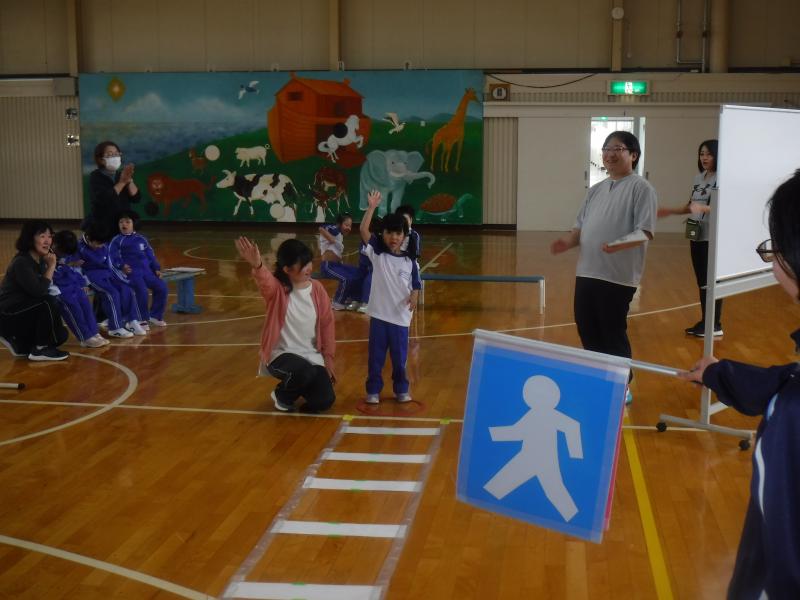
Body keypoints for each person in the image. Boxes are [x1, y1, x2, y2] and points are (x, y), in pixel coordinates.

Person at [680, 169, 800, 599]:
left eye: (775, 249)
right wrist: (720, 374)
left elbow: (784, 558)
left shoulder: (792, 417)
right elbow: (786, 379)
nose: (772, 262)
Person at [550, 131, 658, 404]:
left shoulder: (641, 188)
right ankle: (600, 376)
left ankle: (622, 384)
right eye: (606, 148)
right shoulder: (595, 191)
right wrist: (566, 242)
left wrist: (618, 244)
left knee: (611, 330)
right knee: (587, 326)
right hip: (587, 271)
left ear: (633, 155)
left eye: (617, 149)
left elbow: (645, 231)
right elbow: (579, 229)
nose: (610, 154)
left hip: (618, 277)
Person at [235, 236, 336, 413]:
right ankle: (282, 396)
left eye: (309, 263)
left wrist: (328, 359)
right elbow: (266, 281)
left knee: (324, 400)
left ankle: (299, 387)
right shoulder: (277, 289)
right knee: (304, 372)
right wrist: (258, 265)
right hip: (281, 354)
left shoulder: (318, 289)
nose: (308, 268)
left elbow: (327, 324)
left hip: (311, 355)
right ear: (287, 269)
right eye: (302, 265)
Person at [360, 190, 422, 404]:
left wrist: (415, 295)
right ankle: (373, 390)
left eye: (398, 233)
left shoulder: (410, 262)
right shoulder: (377, 254)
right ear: (383, 234)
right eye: (389, 233)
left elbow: (416, 283)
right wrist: (371, 207)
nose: (394, 237)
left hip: (400, 319)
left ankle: (401, 389)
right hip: (379, 317)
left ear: (405, 236)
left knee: (399, 359)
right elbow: (363, 230)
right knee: (375, 359)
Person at [658, 140, 722, 337]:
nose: (704, 157)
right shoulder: (698, 178)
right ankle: (706, 321)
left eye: (709, 154)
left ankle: (714, 324)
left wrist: (702, 208)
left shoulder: (722, 178)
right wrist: (670, 211)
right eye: (701, 153)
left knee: (711, 281)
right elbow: (690, 205)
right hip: (696, 231)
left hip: (712, 236)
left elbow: (724, 206)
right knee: (701, 281)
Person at [0, 221, 69, 361]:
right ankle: (40, 349)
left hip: (26, 308)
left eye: (49, 236)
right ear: (30, 238)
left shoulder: (40, 260)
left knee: (61, 335)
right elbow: (39, 292)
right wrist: (51, 266)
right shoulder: (22, 262)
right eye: (42, 236)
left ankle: (21, 342)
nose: (47, 241)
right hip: (8, 312)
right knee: (46, 302)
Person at [78, 225, 144, 338]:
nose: (101, 246)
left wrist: (121, 277)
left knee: (126, 288)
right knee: (111, 293)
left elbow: (110, 263)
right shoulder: (79, 248)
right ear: (89, 239)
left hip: (107, 273)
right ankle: (115, 327)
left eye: (102, 244)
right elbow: (76, 268)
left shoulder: (103, 244)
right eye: (98, 244)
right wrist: (82, 283)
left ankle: (130, 320)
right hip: (92, 277)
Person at [109, 211, 168, 328]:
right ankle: (141, 319)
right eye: (121, 222)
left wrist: (156, 268)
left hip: (147, 271)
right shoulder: (116, 240)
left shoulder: (141, 239)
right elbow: (112, 256)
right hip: (132, 272)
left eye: (127, 221)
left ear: (133, 224)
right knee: (142, 291)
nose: (123, 224)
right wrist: (121, 266)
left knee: (162, 287)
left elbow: (150, 255)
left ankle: (155, 316)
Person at [52, 230, 109, 348]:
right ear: (56, 246)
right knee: (74, 308)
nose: (64, 255)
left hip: (71, 283)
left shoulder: (67, 252)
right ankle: (85, 336)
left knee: (85, 303)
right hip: (59, 289)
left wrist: (82, 283)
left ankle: (94, 332)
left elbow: (73, 270)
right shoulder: (47, 255)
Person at [83, 141, 141, 242]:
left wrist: (129, 180)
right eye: (110, 155)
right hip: (103, 227)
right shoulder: (96, 176)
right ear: (101, 159)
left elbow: (136, 198)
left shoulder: (120, 175)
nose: (114, 157)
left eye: (116, 154)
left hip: (122, 224)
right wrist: (122, 182)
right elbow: (104, 199)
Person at [318, 212, 362, 310]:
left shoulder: (339, 235)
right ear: (339, 224)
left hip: (337, 265)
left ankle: (350, 297)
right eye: (346, 225)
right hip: (328, 266)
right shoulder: (335, 229)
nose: (349, 228)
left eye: (350, 226)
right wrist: (331, 240)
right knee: (346, 279)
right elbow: (321, 228)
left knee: (357, 272)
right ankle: (337, 302)